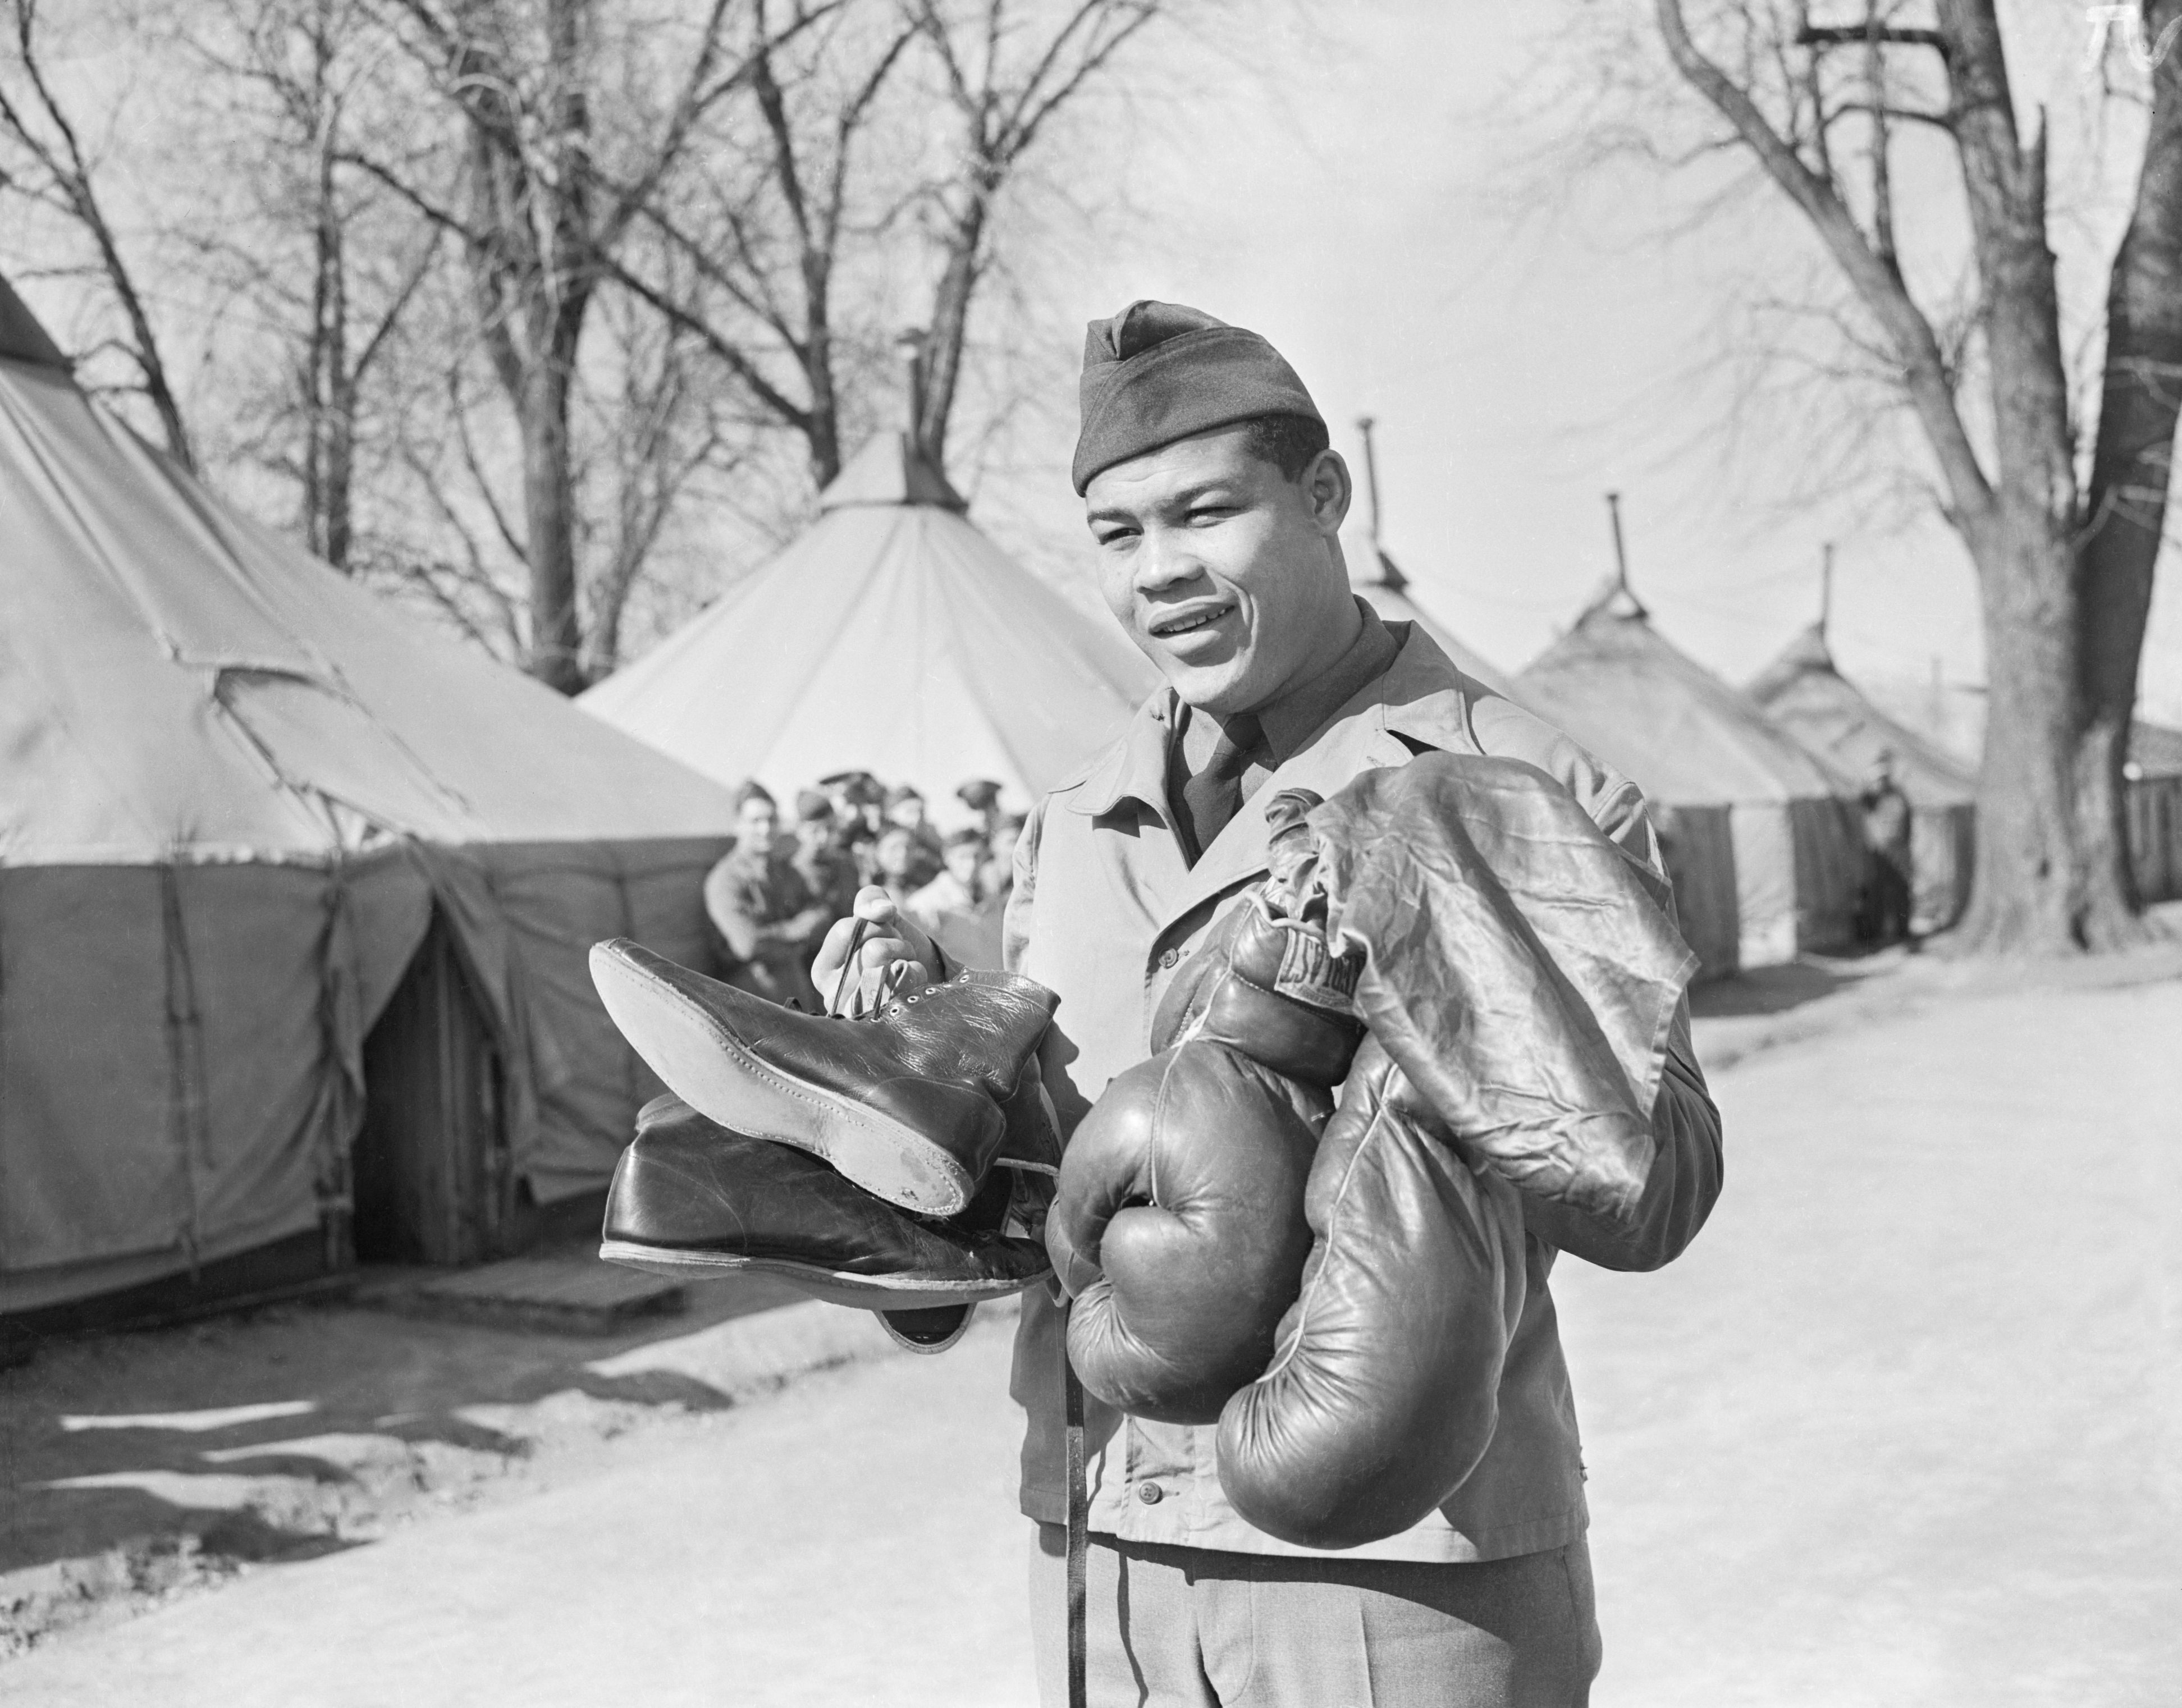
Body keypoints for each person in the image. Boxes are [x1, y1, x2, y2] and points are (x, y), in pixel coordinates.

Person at [814, 300, 1723, 1707]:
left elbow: (1657, 1183)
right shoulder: (1074, 818)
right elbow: (1054, 1200)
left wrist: (1442, 924)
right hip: (1108, 1542)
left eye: (1203, 512)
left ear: (1322, 494)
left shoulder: (1514, 778)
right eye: (1118, 534)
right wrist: (894, 1091)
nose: (1159, 571)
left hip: (1397, 1563)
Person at [703, 782, 831, 1011]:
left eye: (771, 820)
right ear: (738, 825)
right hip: (752, 990)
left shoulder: (783, 871)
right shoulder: (726, 880)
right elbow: (748, 945)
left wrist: (783, 934)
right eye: (756, 821)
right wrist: (794, 931)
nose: (765, 829)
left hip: (793, 977)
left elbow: (820, 913)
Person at [907, 826, 1004, 969]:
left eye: (976, 856)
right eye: (962, 857)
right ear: (947, 858)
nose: (971, 864)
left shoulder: (993, 899)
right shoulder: (923, 903)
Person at [1859, 749, 1914, 944]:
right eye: (1879, 779)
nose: (1882, 782)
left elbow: (1907, 823)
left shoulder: (1898, 797)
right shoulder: (1873, 799)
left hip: (1899, 849)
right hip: (1880, 851)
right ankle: (1876, 933)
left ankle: (1903, 931)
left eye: (1885, 778)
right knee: (1878, 891)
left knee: (1901, 890)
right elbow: (1864, 800)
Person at [790, 789, 862, 931]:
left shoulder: (846, 864)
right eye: (814, 831)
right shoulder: (791, 871)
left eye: (829, 829)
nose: (823, 838)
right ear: (800, 831)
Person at [884, 784, 945, 887]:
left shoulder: (928, 840)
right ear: (891, 814)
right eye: (909, 812)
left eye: (921, 812)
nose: (917, 818)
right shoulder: (885, 843)